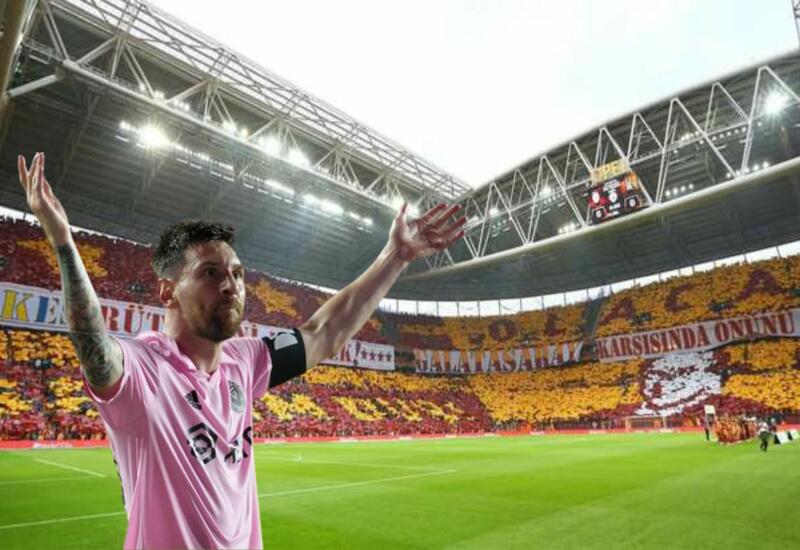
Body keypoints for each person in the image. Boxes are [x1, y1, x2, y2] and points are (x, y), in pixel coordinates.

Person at [17, 152, 465, 549]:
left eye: (238, 273)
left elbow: (324, 330)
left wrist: (395, 256)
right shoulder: (142, 370)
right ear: (167, 292)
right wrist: (64, 243)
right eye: (210, 273)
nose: (231, 285)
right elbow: (94, 345)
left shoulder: (245, 361)